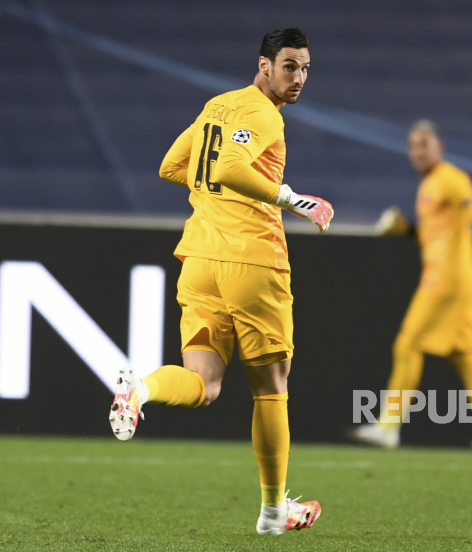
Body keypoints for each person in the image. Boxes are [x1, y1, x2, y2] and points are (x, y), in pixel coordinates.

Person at [108, 27, 332, 535]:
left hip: (198, 262)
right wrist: (292, 200)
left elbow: (171, 167)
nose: (298, 77)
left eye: (305, 68)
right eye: (290, 66)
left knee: (205, 386)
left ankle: (140, 390)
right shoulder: (262, 114)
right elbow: (230, 167)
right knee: (272, 389)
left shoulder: (218, 105)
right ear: (264, 66)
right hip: (252, 262)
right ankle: (274, 512)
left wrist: (216, 192)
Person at [349, 120, 472, 451]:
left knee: (408, 344)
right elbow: (433, 237)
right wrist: (407, 230)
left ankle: (388, 427)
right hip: (463, 280)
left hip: (444, 281)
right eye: (413, 145)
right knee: (463, 353)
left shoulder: (450, 179)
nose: (418, 152)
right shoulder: (429, 186)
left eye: (425, 144)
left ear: (440, 148)